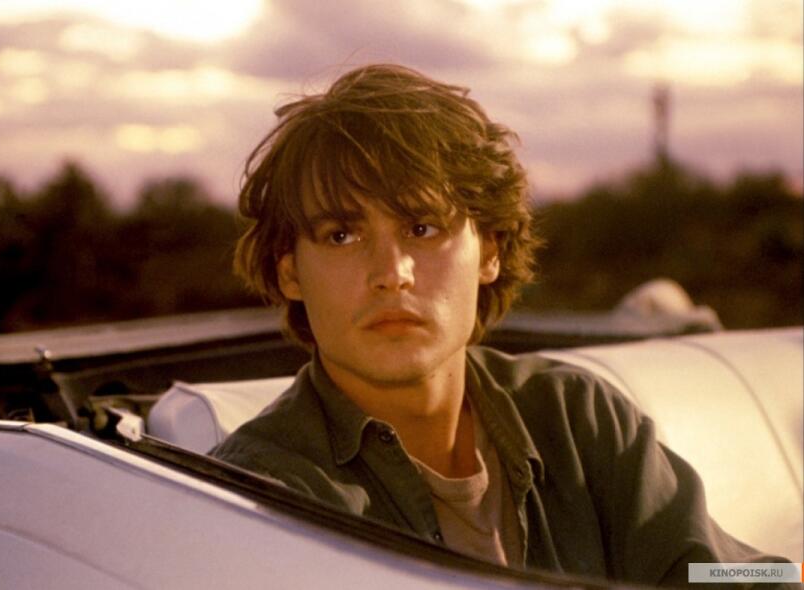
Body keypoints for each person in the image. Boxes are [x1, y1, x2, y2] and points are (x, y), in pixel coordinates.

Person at [209, 64, 787, 585]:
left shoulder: (574, 417)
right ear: (290, 273)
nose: (392, 274)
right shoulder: (259, 499)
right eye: (341, 235)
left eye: (422, 228)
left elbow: (717, 571)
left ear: (489, 250)